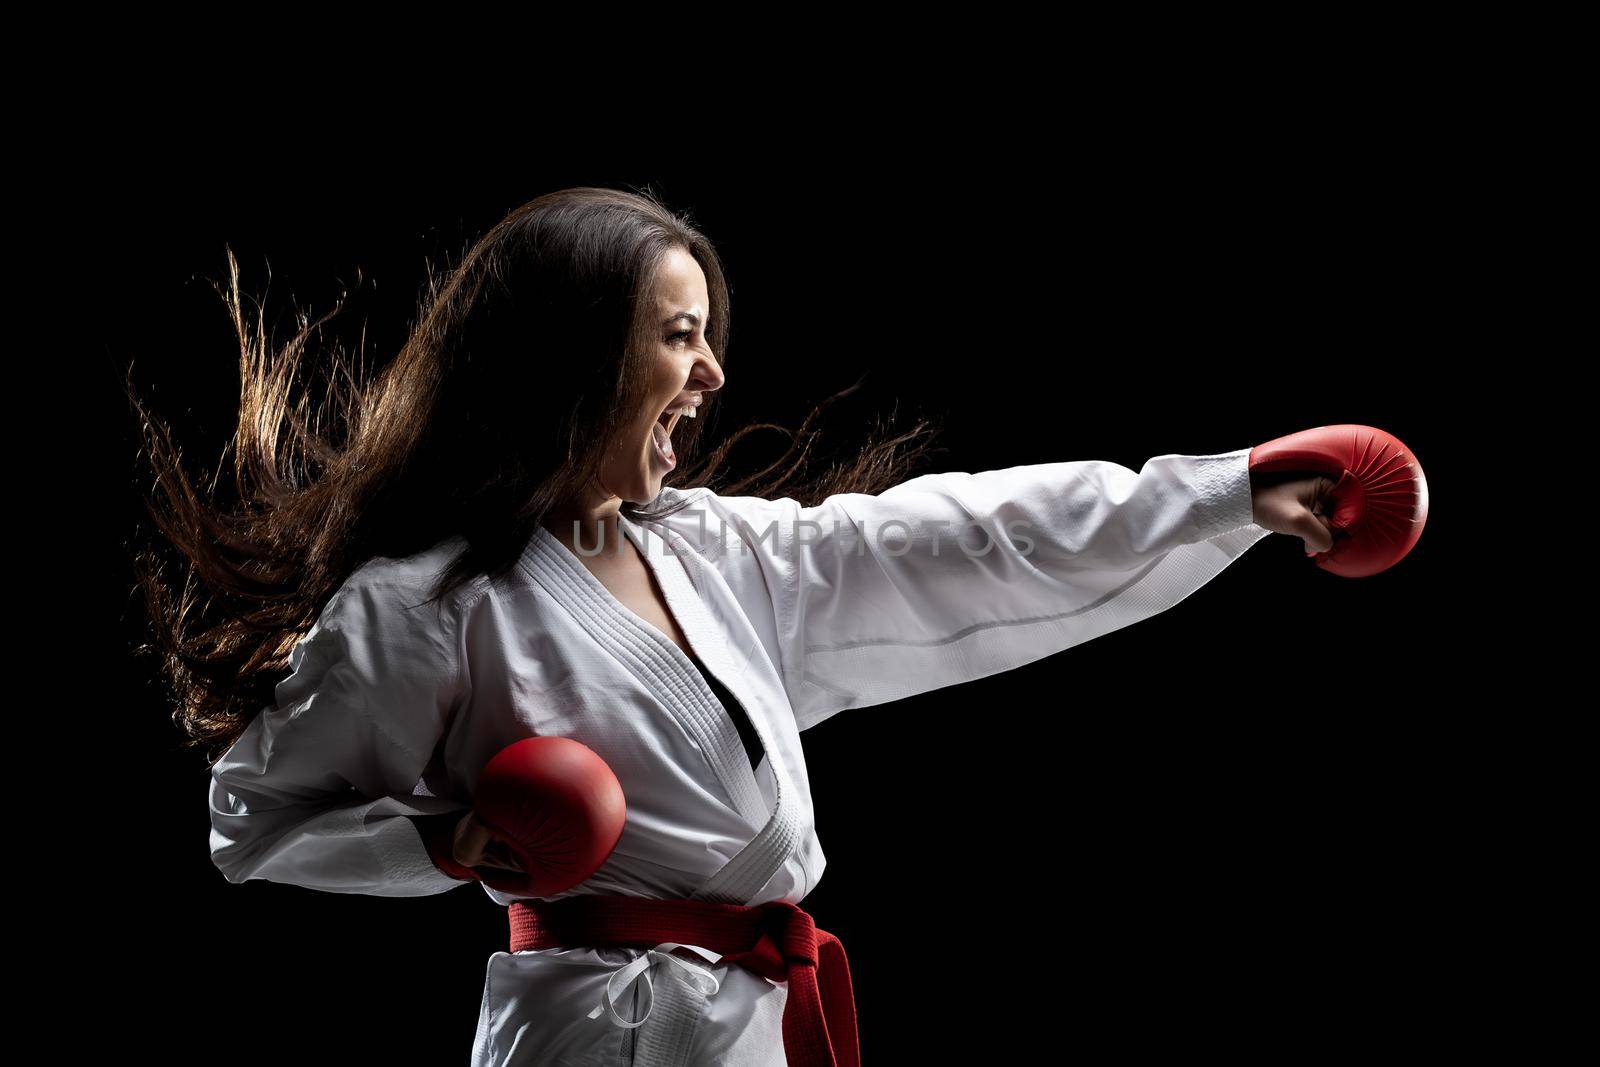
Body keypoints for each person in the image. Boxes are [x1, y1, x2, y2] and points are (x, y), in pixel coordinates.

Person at [129, 186, 1334, 1065]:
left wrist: (1224, 488)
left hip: (749, 1019)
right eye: (678, 334)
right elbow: (255, 822)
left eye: (705, 333)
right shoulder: (424, 610)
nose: (710, 374)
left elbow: (956, 533)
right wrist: (449, 844)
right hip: (602, 1036)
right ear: (575, 358)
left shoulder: (708, 550)